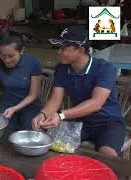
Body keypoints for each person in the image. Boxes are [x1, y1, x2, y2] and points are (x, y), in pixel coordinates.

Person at [32, 27, 126, 157]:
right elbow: (55, 99)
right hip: (80, 122)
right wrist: (42, 114)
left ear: (80, 50)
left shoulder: (104, 68)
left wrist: (61, 115)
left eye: (64, 48)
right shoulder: (62, 69)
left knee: (107, 156)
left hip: (109, 123)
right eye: (59, 47)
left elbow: (96, 103)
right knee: (52, 145)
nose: (59, 52)